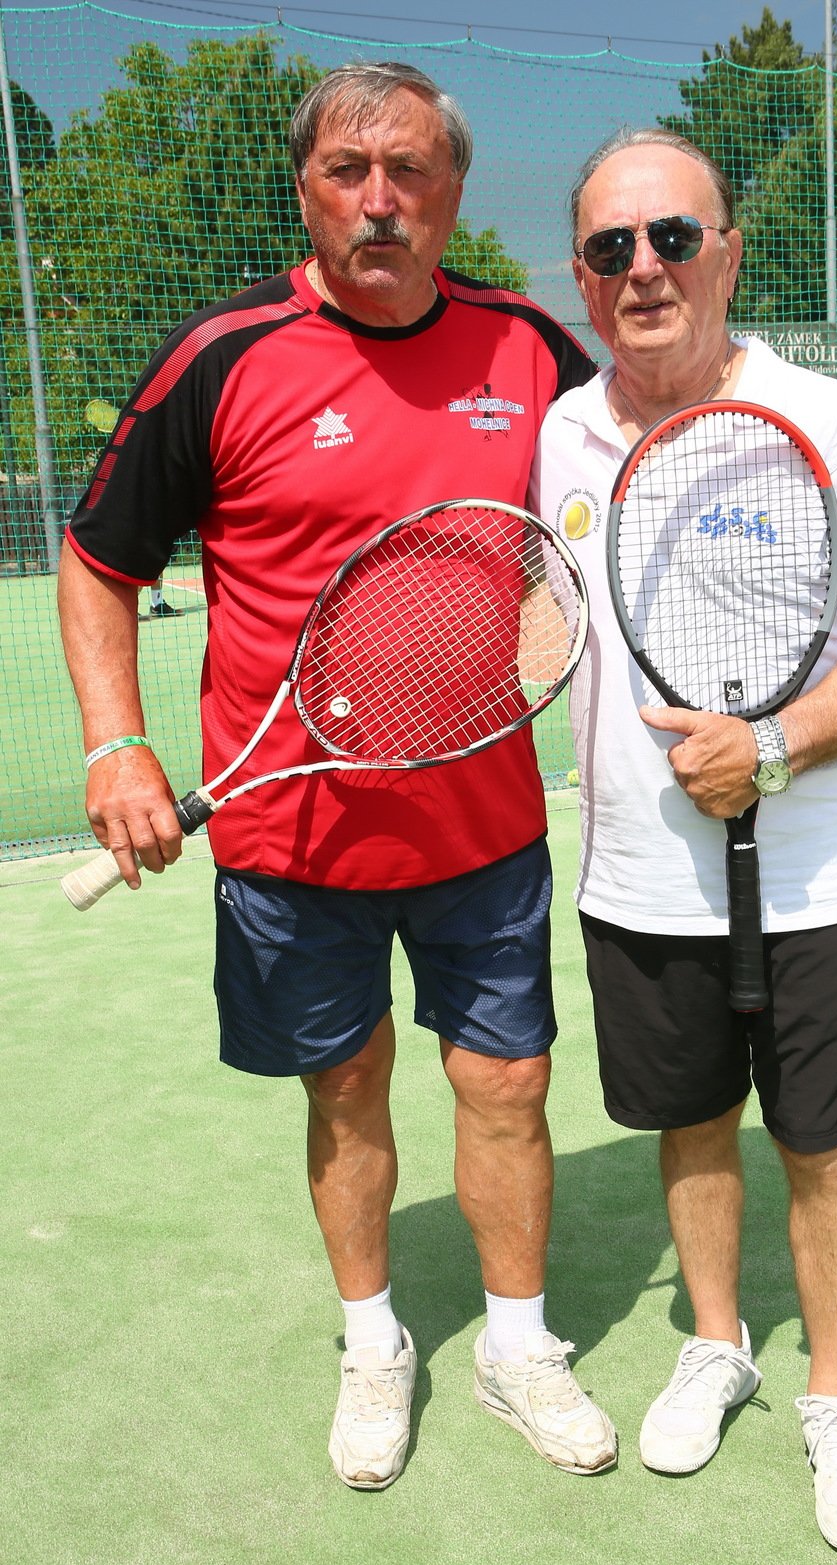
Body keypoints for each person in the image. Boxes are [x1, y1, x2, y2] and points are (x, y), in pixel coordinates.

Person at [58, 61, 616, 1491]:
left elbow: (581, 525)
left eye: (411, 170)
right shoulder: (222, 355)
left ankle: (515, 1346)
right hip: (289, 839)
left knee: (507, 1087)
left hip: (481, 825)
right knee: (347, 1089)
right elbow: (101, 558)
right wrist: (119, 746)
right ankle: (374, 1345)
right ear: (305, 188)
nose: (381, 198)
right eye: (348, 170)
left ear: (451, 192)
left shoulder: (526, 350)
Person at [531, 128, 837, 1555]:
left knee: (819, 1141)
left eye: (669, 238)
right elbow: (564, 632)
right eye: (608, 249)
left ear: (725, 252)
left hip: (817, 880)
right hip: (636, 883)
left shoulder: (821, 416)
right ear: (582, 280)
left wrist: (772, 746)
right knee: (691, 1128)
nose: (640, 269)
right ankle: (716, 1342)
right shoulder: (561, 435)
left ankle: (834, 1394)